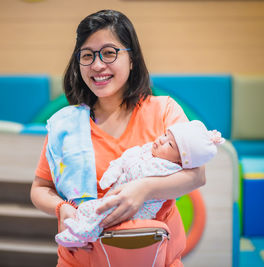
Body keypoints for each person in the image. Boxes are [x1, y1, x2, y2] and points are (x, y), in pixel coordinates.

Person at [30, 9, 206, 267]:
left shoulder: (164, 110)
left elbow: (197, 176)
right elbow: (40, 188)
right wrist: (61, 209)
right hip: (80, 260)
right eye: (87, 56)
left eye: (109, 53)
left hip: (155, 258)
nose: (98, 65)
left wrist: (142, 190)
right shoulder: (65, 125)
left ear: (132, 59)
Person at [55, 120, 224, 247]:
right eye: (165, 135)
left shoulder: (168, 168)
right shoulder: (149, 151)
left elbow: (198, 177)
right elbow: (127, 158)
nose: (161, 140)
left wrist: (144, 188)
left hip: (137, 213)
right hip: (114, 196)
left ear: (181, 161)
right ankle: (78, 228)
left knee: (102, 216)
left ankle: (82, 235)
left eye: (170, 144)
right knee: (88, 208)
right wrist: (113, 173)